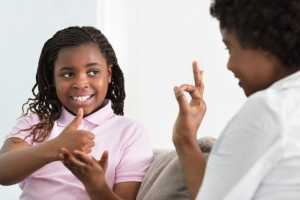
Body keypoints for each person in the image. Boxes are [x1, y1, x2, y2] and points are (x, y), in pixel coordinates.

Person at [0, 26, 153, 200]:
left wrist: (96, 186)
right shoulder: (35, 123)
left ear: (109, 74)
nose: (80, 83)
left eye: (93, 72)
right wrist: (54, 148)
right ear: (53, 78)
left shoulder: (130, 131)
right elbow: (3, 172)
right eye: (67, 74)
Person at [172, 0, 300, 199]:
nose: (229, 65)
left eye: (229, 49)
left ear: (263, 43)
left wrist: (183, 138)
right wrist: (184, 138)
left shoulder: (269, 109)